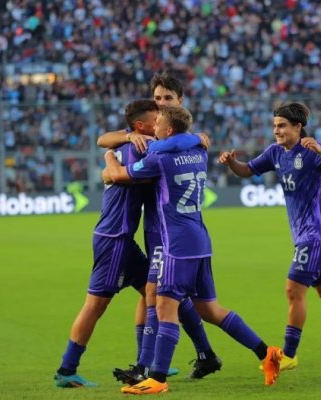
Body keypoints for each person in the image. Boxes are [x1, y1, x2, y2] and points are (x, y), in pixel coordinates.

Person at [103, 105, 282, 394]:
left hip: (176, 244)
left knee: (164, 306)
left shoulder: (159, 158)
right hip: (200, 240)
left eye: (159, 122)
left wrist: (109, 156)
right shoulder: (198, 150)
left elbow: (117, 176)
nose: (155, 126)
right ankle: (267, 352)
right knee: (210, 309)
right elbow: (192, 139)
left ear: (169, 129)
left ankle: (157, 379)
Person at [217, 102, 321, 373]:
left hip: (316, 235)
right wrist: (231, 163)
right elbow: (247, 170)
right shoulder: (275, 152)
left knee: (293, 289)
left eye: (282, 126)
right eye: (275, 126)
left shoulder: (310, 151)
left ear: (298, 127)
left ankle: (290, 354)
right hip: (305, 236)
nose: (277, 131)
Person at [98, 73, 223, 383]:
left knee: (159, 295)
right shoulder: (145, 131)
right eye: (157, 98)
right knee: (159, 297)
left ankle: (148, 369)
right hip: (154, 226)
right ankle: (203, 355)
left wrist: (111, 168)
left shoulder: (180, 137)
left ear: (179, 102)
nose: (161, 102)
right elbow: (103, 139)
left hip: (172, 230)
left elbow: (196, 141)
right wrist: (125, 140)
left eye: (168, 98)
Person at [53, 99, 161, 388]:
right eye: (156, 117)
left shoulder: (124, 146)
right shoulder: (142, 148)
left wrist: (110, 158)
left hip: (121, 238)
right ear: (140, 126)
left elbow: (105, 143)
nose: (160, 120)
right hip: (115, 239)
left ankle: (146, 362)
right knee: (95, 306)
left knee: (152, 291)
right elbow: (110, 154)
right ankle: (66, 370)